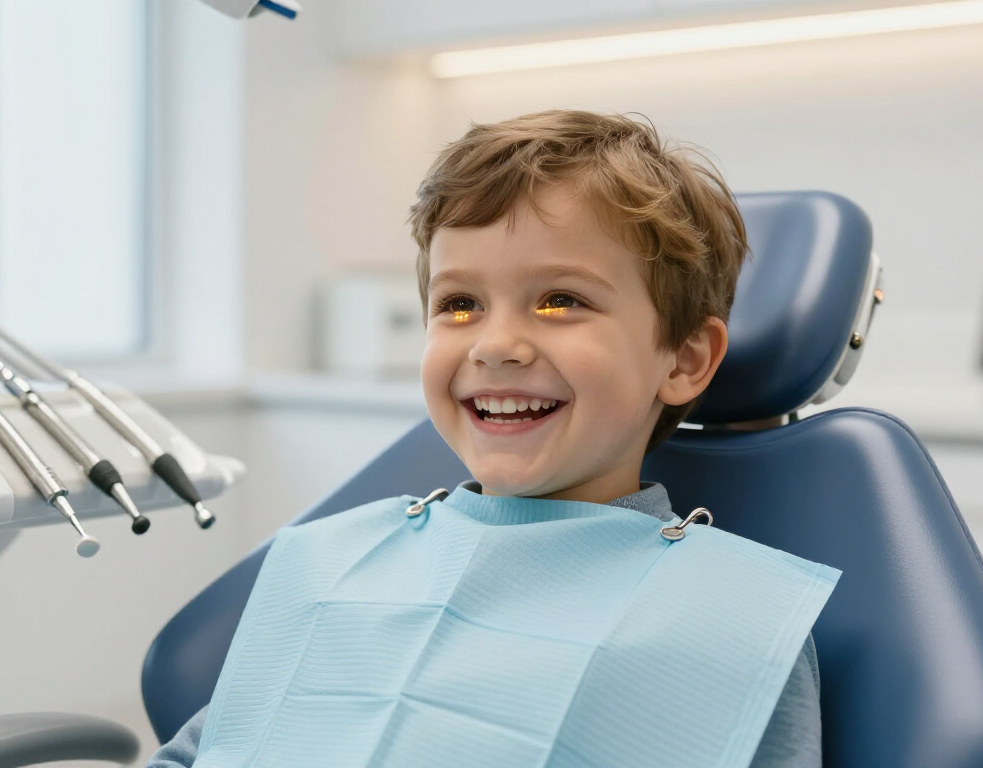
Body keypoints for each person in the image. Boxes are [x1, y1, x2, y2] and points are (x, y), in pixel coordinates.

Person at [149, 110, 833, 768]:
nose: (495, 344)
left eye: (561, 300)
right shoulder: (336, 566)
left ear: (684, 359)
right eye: (459, 304)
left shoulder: (734, 625)